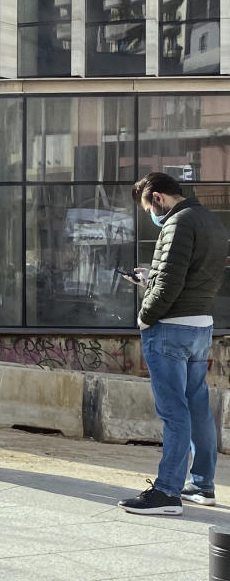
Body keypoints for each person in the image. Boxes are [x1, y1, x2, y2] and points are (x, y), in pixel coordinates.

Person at [117, 173, 228, 516]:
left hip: (170, 327)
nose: (150, 213)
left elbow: (171, 282)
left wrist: (145, 315)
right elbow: (191, 274)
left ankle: (167, 493)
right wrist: (151, 276)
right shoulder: (210, 220)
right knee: (196, 407)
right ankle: (202, 486)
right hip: (200, 325)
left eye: (148, 206)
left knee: (173, 410)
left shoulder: (177, 223)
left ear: (159, 198)